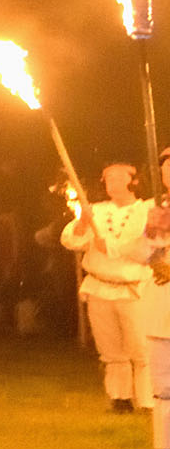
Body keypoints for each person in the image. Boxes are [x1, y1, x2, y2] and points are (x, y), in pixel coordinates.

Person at [61, 161, 155, 412]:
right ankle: (120, 398)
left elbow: (147, 246)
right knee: (110, 346)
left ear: (133, 181)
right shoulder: (96, 211)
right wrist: (83, 222)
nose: (111, 182)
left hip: (133, 287)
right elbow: (71, 240)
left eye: (117, 177)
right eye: (107, 178)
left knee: (140, 345)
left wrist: (113, 248)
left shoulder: (147, 209)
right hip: (100, 287)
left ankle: (148, 400)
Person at [141, 148, 170, 449]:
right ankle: (166, 448)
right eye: (166, 168)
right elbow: (134, 253)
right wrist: (150, 232)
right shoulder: (152, 208)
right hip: (161, 303)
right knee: (164, 384)